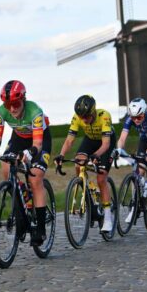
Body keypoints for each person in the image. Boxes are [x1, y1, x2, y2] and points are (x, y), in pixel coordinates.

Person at [0, 80, 52, 246]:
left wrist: (28, 153)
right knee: (5, 167)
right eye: (8, 104)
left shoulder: (35, 111)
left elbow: (37, 145)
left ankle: (40, 229)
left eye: (16, 103)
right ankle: (23, 201)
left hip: (39, 141)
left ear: (23, 99)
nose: (12, 109)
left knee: (35, 178)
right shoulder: (0, 112)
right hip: (19, 138)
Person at [54, 94, 116, 233]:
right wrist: (61, 155)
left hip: (106, 142)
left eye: (86, 116)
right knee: (78, 164)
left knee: (101, 178)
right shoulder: (77, 117)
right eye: (81, 117)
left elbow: (105, 144)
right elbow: (70, 140)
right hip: (90, 140)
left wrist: (96, 155)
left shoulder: (104, 116)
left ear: (93, 112)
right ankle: (86, 193)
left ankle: (107, 218)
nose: (84, 120)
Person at [114, 97, 147, 223]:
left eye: (139, 117)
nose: (136, 120)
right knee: (138, 173)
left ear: (144, 112)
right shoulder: (131, 118)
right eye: (133, 118)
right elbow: (122, 139)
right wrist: (118, 149)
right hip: (144, 140)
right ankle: (134, 208)